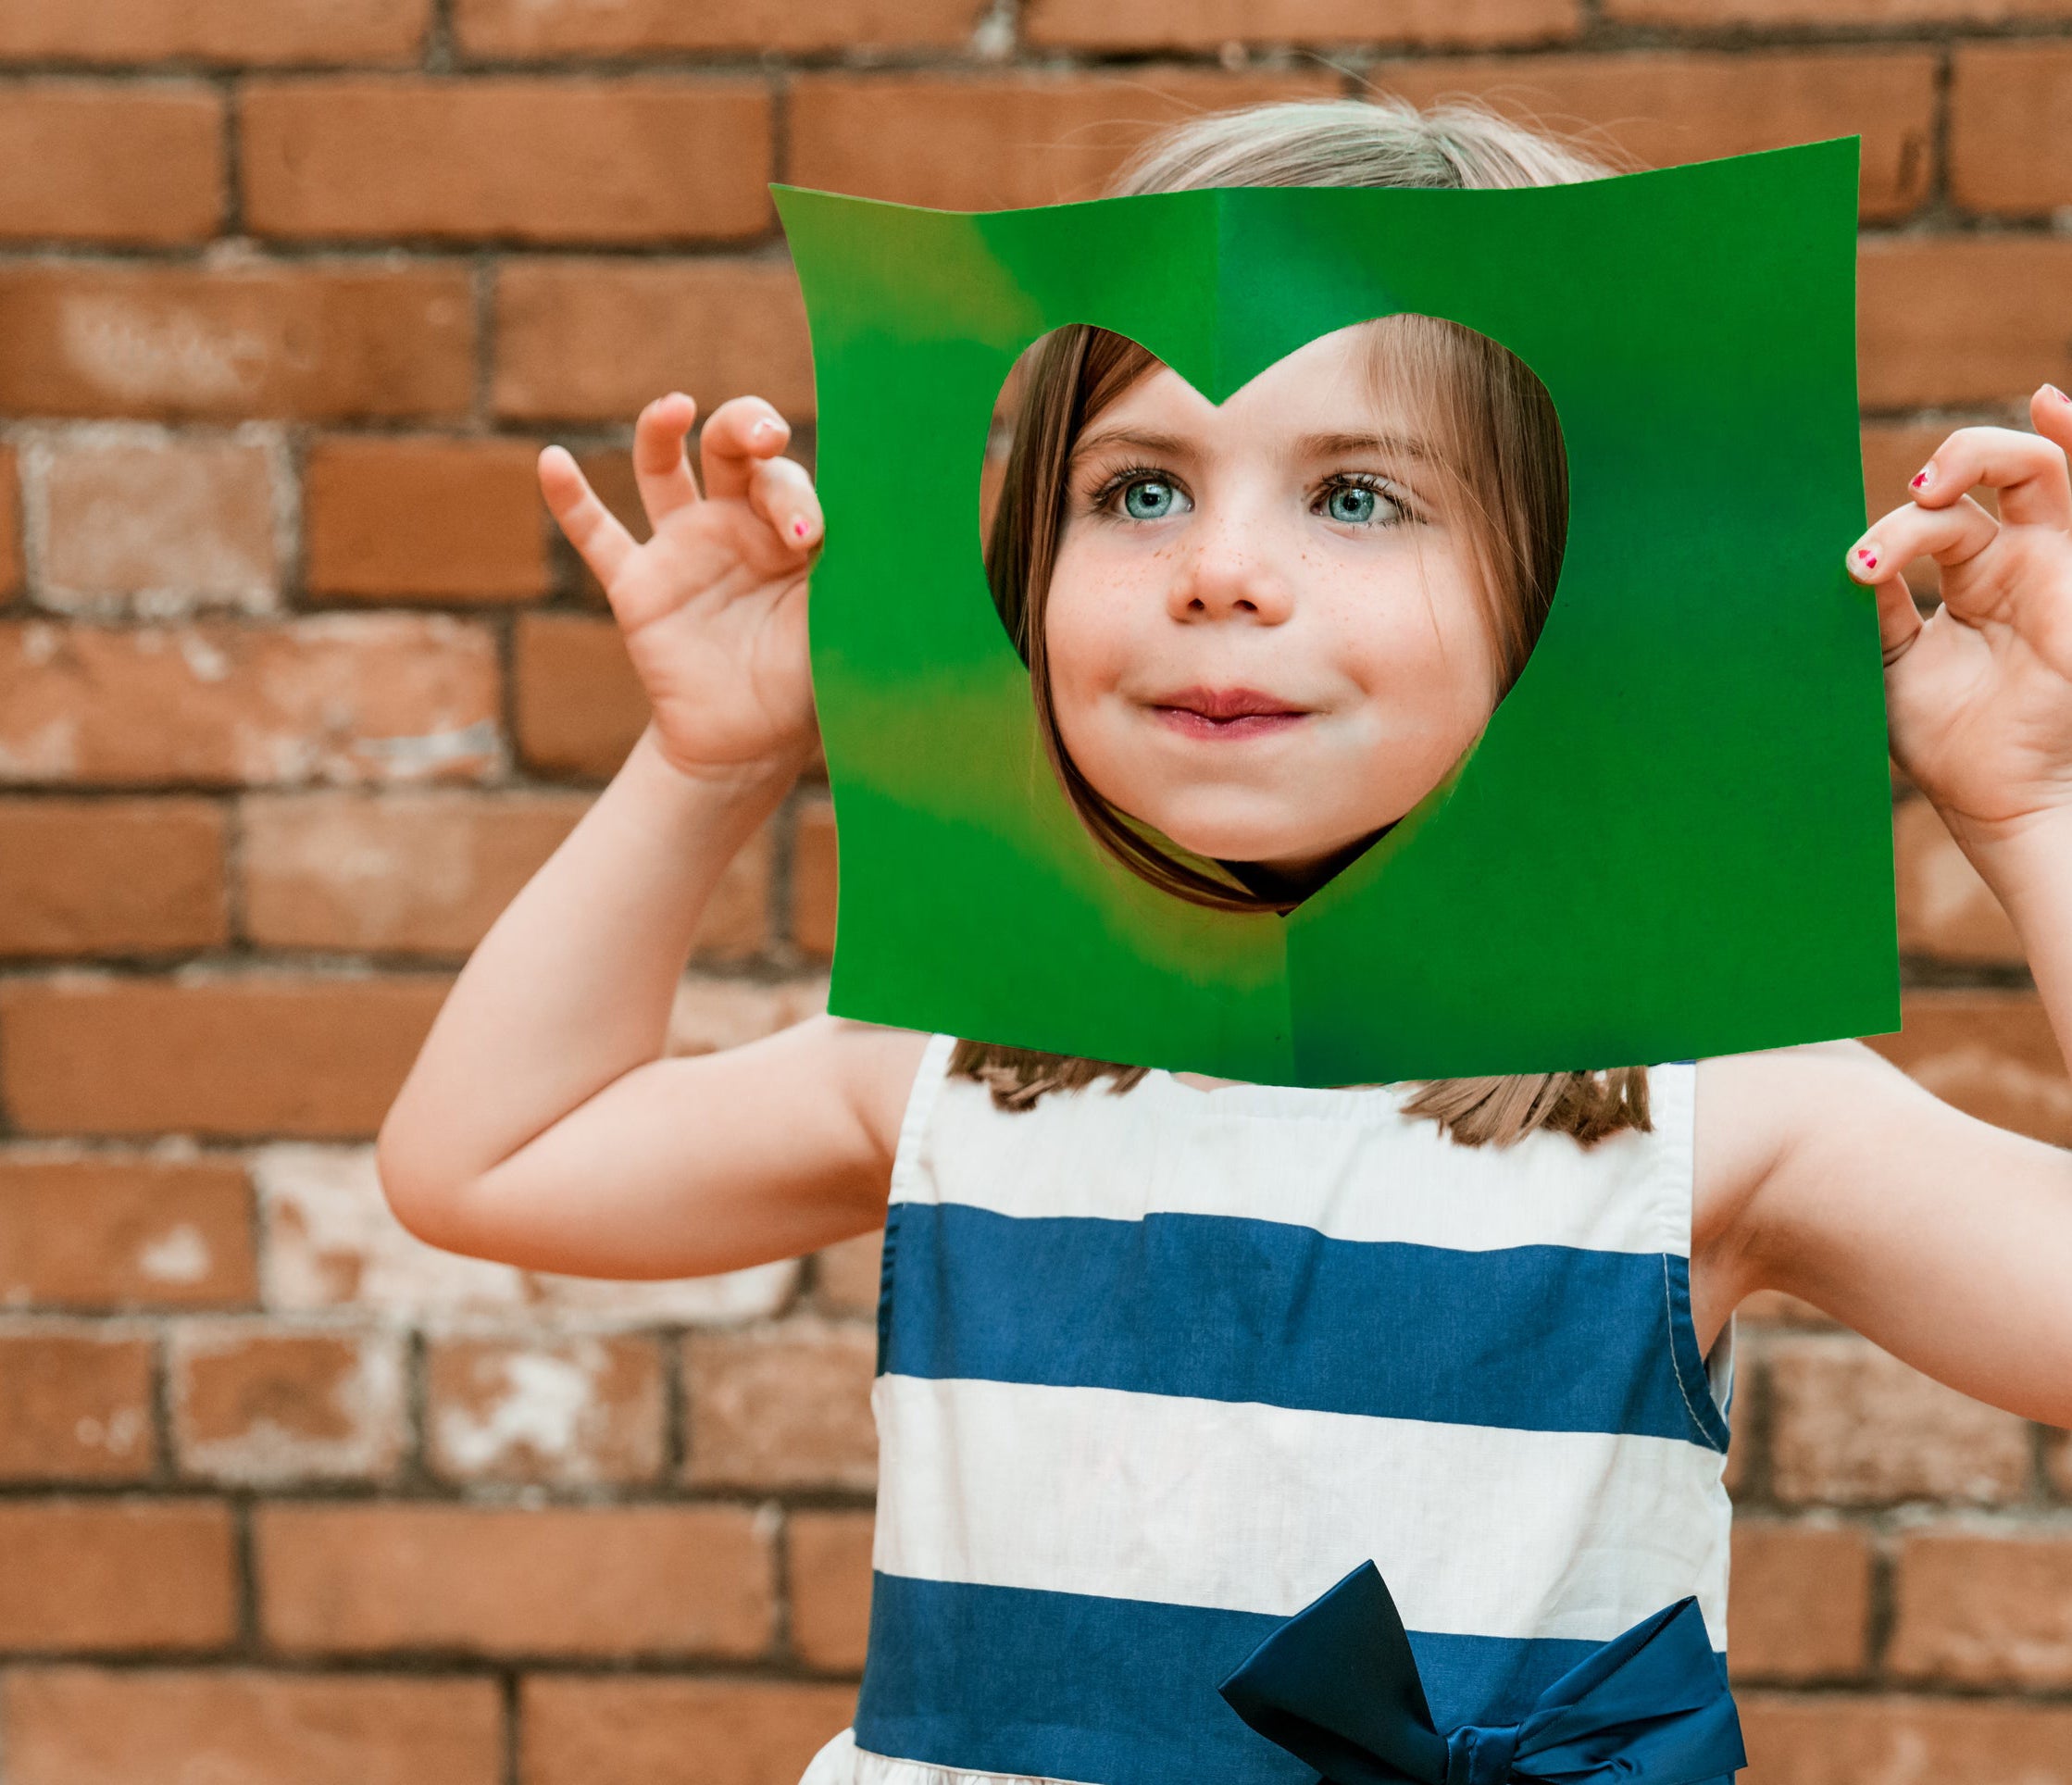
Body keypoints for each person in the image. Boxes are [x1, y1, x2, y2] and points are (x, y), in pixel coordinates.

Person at [374, 96, 2072, 1785]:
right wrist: (708, 759)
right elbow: (492, 1162)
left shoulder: (1700, 1105)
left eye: (1352, 495)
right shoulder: (968, 1063)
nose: (1218, 572)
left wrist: (2033, 820)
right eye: (1135, 490)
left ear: (1577, 577)